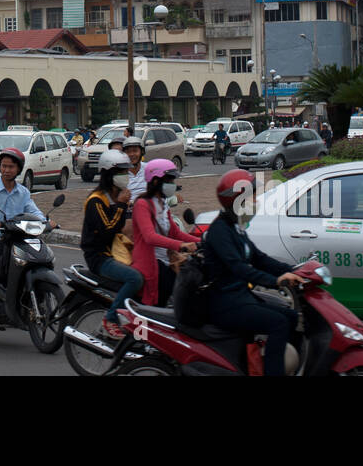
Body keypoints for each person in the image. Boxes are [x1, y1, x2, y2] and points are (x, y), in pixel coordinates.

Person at [179, 169, 302, 377]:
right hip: (225, 303)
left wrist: (293, 270)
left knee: (291, 317)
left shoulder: (236, 227)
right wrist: (277, 282)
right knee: (279, 324)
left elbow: (259, 258)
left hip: (240, 297)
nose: (257, 200)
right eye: (253, 195)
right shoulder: (220, 231)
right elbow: (240, 268)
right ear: (239, 199)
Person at [0, 148, 56, 323]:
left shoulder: (22, 192)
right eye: (4, 166)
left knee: (46, 257)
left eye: (11, 167)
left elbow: (33, 211)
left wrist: (46, 222)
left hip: (19, 239)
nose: (7, 170)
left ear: (18, 169)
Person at [80, 149, 141, 338]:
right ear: (108, 173)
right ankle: (111, 317)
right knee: (135, 278)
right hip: (100, 256)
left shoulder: (116, 196)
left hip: (115, 251)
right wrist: (122, 206)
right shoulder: (96, 201)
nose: (125, 176)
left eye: (126, 171)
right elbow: (107, 231)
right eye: (120, 172)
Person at [131, 159, 198, 307]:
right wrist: (182, 246)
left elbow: (174, 232)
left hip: (167, 261)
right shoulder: (142, 204)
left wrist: (202, 240)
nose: (172, 185)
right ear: (155, 182)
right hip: (151, 263)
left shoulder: (162, 204)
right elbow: (149, 236)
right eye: (169, 180)